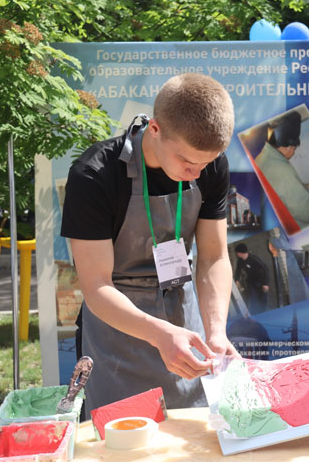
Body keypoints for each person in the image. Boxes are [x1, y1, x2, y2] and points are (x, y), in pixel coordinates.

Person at [61, 73, 238, 413]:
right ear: (154, 130)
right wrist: (159, 335)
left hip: (184, 320)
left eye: (206, 163)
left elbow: (214, 258)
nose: (197, 173)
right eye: (187, 162)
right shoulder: (95, 174)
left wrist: (216, 332)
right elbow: (96, 286)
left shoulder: (210, 165)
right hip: (117, 331)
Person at [255, 111, 309, 229]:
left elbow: (285, 190)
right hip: (294, 226)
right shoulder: (283, 172)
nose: (293, 152)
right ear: (290, 147)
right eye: (294, 149)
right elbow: (308, 213)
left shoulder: (260, 158)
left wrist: (306, 188)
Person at [233, 243, 270, 314]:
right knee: (253, 299)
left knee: (262, 299)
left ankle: (264, 314)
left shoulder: (254, 259)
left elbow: (266, 269)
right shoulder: (240, 261)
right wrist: (236, 279)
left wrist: (266, 283)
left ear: (240, 253)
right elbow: (238, 270)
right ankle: (255, 314)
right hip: (251, 282)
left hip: (261, 281)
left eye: (237, 252)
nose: (237, 254)